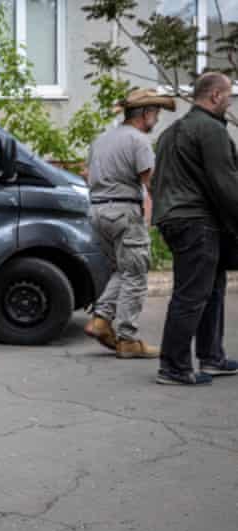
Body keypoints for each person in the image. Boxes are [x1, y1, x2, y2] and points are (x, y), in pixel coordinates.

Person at [151, 71, 238, 386]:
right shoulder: (210, 130)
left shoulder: (171, 132)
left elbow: (157, 183)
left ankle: (211, 357)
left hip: (175, 219)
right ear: (215, 96)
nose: (229, 101)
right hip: (196, 222)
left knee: (211, 289)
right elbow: (226, 184)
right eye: (228, 95)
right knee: (191, 295)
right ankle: (173, 367)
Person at [84, 89, 175, 358]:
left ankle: (101, 320)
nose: (156, 119)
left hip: (98, 212)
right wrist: (161, 215)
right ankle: (127, 339)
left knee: (121, 270)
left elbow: (90, 174)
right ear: (145, 114)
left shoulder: (101, 140)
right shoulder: (138, 141)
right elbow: (151, 182)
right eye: (155, 114)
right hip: (124, 211)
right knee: (136, 274)